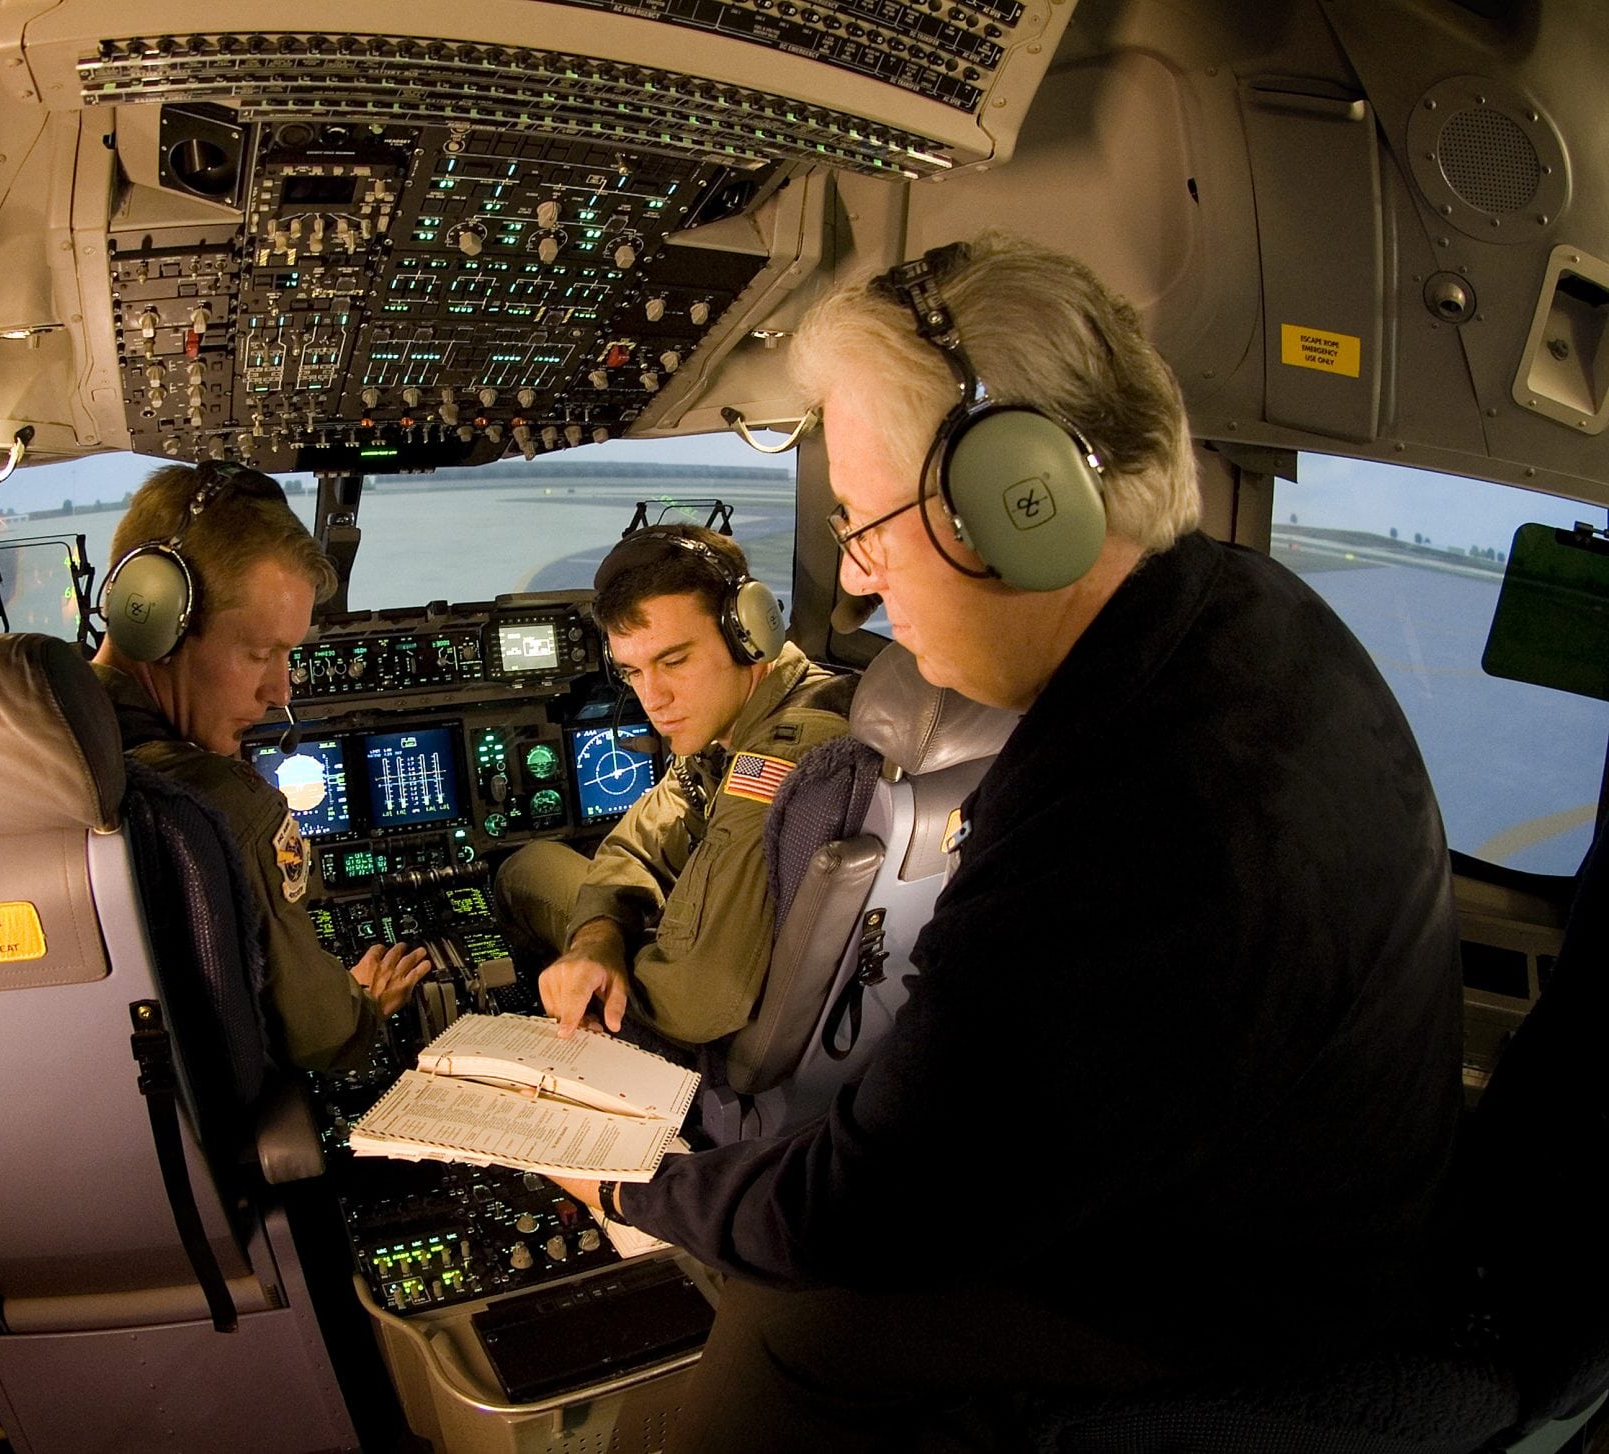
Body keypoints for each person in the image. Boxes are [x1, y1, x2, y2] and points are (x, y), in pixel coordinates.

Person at [550, 234, 1463, 1450]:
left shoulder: (1136, 806)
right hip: (1311, 1212)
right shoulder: (1242, 616)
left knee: (792, 1324)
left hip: (1256, 1299)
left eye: (867, 529)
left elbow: (873, 1207)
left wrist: (628, 1184)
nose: (863, 590)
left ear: (1015, 498)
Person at [92, 462, 429, 1071]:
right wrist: (365, 1009)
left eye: (290, 655)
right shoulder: (219, 804)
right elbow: (322, 1036)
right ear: (154, 617)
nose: (280, 690)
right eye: (258, 653)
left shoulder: (19, 732)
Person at [496, 525, 852, 1050]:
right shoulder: (728, 733)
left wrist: (604, 961)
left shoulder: (777, 760)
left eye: (674, 661)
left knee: (525, 869)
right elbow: (633, 843)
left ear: (751, 633)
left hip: (712, 1034)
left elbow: (700, 997)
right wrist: (597, 941)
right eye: (632, 672)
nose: (653, 698)